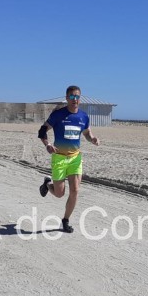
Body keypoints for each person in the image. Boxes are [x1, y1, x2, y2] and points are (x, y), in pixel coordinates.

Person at [37, 85, 99, 233]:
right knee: (59, 194)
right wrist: (48, 145)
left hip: (75, 158)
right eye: (71, 97)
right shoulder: (59, 115)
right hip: (59, 157)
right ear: (66, 98)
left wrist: (93, 139)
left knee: (75, 191)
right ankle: (47, 185)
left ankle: (65, 220)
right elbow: (42, 130)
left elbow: (86, 133)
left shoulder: (83, 116)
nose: (74, 100)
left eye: (77, 97)